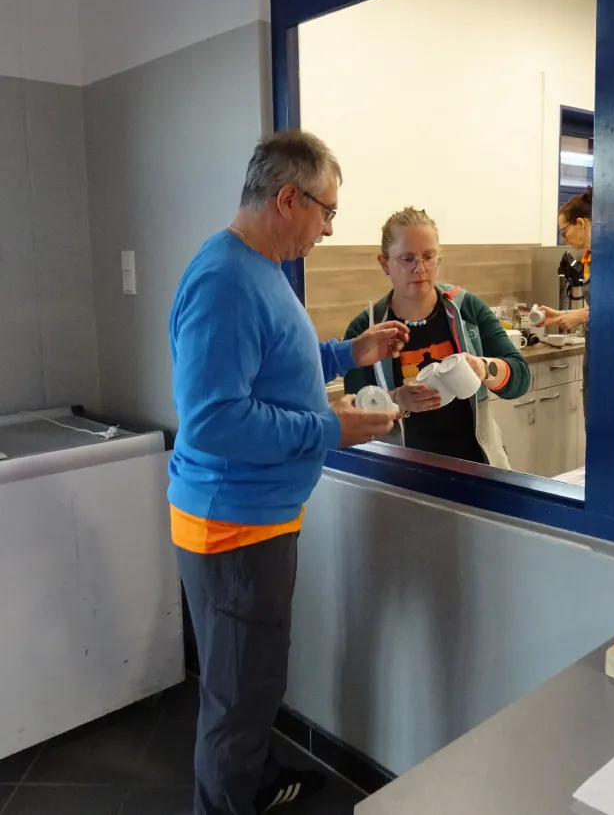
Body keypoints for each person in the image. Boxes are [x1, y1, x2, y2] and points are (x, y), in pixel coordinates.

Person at [168, 130, 409, 815]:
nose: (328, 228)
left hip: (256, 520)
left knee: (255, 681)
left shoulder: (261, 267)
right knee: (237, 698)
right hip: (232, 530)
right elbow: (214, 420)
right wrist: (330, 429)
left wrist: (348, 353)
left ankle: (253, 782)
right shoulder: (224, 281)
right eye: (326, 211)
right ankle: (227, 799)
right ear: (286, 199)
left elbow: (278, 362)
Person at [344, 207, 530, 468]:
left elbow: (521, 378)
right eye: (407, 259)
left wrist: (483, 367)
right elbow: (353, 417)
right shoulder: (366, 329)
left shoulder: (467, 309)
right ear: (384, 263)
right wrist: (397, 401)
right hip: (403, 475)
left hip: (477, 468)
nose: (420, 269)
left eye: (428, 256)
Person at [540, 186, 592, 412]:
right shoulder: (589, 259)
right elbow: (598, 308)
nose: (564, 238)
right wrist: (562, 315)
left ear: (580, 223)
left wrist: (576, 317)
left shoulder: (608, 260)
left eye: (564, 231)